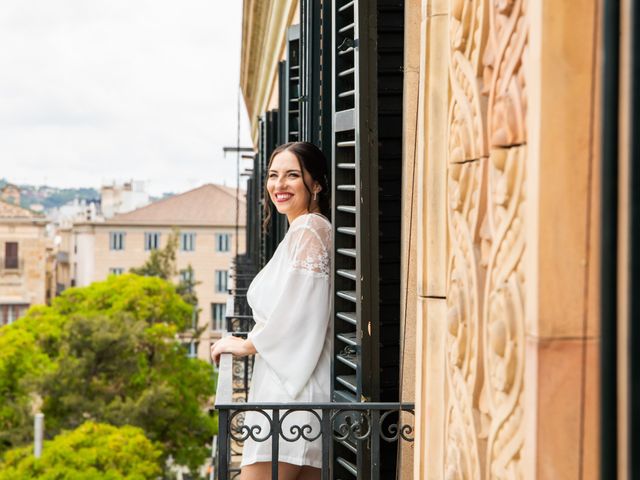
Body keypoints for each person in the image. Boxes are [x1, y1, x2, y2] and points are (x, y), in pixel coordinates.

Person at [211, 141, 332, 480]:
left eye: (292, 175)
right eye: (273, 175)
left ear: (317, 183)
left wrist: (244, 344)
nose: (279, 185)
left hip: (293, 394)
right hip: (285, 386)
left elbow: (300, 308)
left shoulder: (311, 229)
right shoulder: (300, 230)